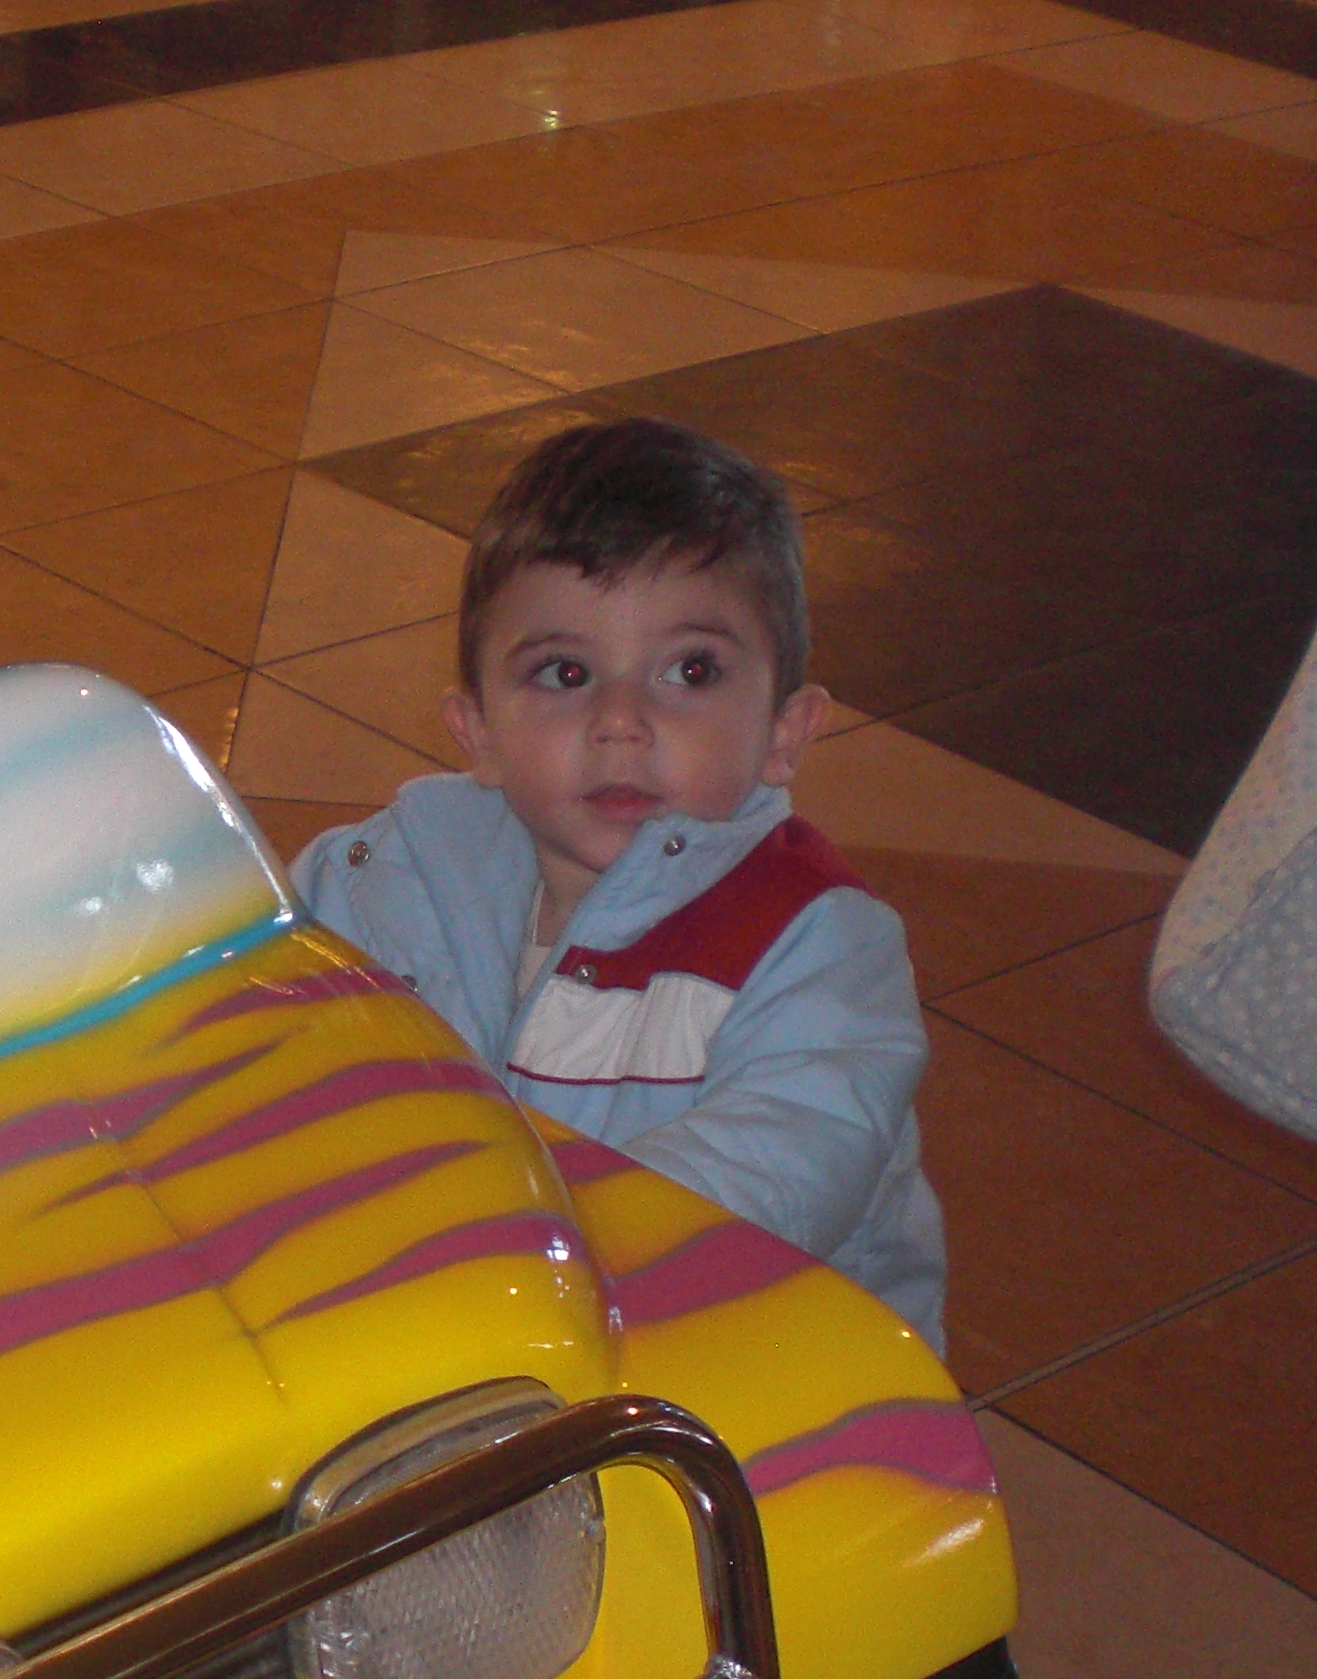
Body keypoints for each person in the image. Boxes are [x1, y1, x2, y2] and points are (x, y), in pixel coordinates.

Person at [290, 417, 945, 1355]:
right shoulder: (379, 879)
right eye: (565, 673)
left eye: (690, 671)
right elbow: (250, 1026)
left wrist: (524, 1244)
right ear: (476, 729)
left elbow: (785, 1160)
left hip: (758, 1374)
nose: (621, 720)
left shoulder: (817, 943)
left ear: (785, 731)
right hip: (474, 1331)